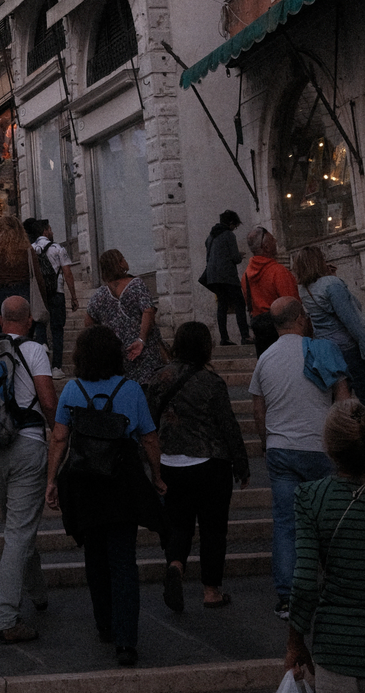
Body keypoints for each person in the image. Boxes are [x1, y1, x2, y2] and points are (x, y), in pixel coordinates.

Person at [45, 325, 166, 666]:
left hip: (84, 482)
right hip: (122, 481)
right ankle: (127, 641)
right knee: (123, 561)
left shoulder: (72, 389)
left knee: (95, 557)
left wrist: (51, 480)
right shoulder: (130, 390)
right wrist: (157, 477)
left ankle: (105, 625)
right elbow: (149, 439)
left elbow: (58, 438)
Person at [0, 296, 57, 644]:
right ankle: (5, 618)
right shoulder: (35, 351)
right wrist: (60, 436)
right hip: (28, 447)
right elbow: (47, 401)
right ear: (29, 321)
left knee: (17, 526)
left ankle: (39, 594)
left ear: (1, 321)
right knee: (18, 533)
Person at [250, 295, 350, 619]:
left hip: (281, 451)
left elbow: (258, 407)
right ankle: (338, 589)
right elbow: (343, 400)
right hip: (320, 447)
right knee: (332, 519)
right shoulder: (322, 350)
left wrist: (267, 441)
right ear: (302, 318)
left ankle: (287, 598)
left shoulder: (264, 358)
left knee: (285, 523)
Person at [147, 320, 249, 612]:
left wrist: (152, 466)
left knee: (179, 524)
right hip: (209, 461)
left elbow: (149, 423)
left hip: (170, 462)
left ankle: (176, 566)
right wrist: (241, 464)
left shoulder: (159, 378)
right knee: (213, 528)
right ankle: (211, 591)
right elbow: (228, 425)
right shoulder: (211, 382)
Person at [285, 399, 365, 693]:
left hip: (336, 648)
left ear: (329, 448)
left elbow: (305, 582)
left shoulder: (311, 497)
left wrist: (295, 641)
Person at [293, 244, 365, 402]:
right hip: (347, 348)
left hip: (325, 349)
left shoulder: (305, 290)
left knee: (340, 397)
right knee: (362, 391)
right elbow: (352, 319)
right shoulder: (332, 285)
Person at [86, 250, 163, 388]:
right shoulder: (136, 284)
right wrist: (141, 339)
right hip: (144, 353)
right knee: (149, 390)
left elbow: (89, 325)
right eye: (123, 258)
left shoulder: (99, 296)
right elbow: (148, 310)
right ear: (120, 264)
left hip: (118, 355)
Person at [28, 218, 78, 374]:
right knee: (57, 329)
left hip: (39, 294)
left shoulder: (30, 248)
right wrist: (74, 296)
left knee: (40, 323)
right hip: (57, 293)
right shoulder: (58, 248)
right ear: (45, 231)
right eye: (50, 229)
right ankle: (57, 367)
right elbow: (68, 273)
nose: (52, 232)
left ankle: (42, 350)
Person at [243, 226, 299, 354]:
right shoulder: (279, 272)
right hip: (283, 333)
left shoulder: (245, 276)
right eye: (273, 240)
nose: (276, 243)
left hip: (261, 335)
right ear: (267, 247)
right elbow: (293, 307)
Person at [0, 214, 35, 333]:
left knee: (2, 330)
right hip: (24, 291)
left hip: (2, 292)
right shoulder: (28, 250)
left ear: (1, 231)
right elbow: (37, 276)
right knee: (25, 330)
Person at [203, 211, 252, 346]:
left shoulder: (211, 236)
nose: (234, 228)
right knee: (239, 303)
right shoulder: (229, 235)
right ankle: (245, 336)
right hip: (227, 276)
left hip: (213, 277)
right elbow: (235, 258)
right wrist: (239, 256)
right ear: (231, 223)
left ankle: (224, 338)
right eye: (235, 226)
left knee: (222, 305)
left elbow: (209, 257)